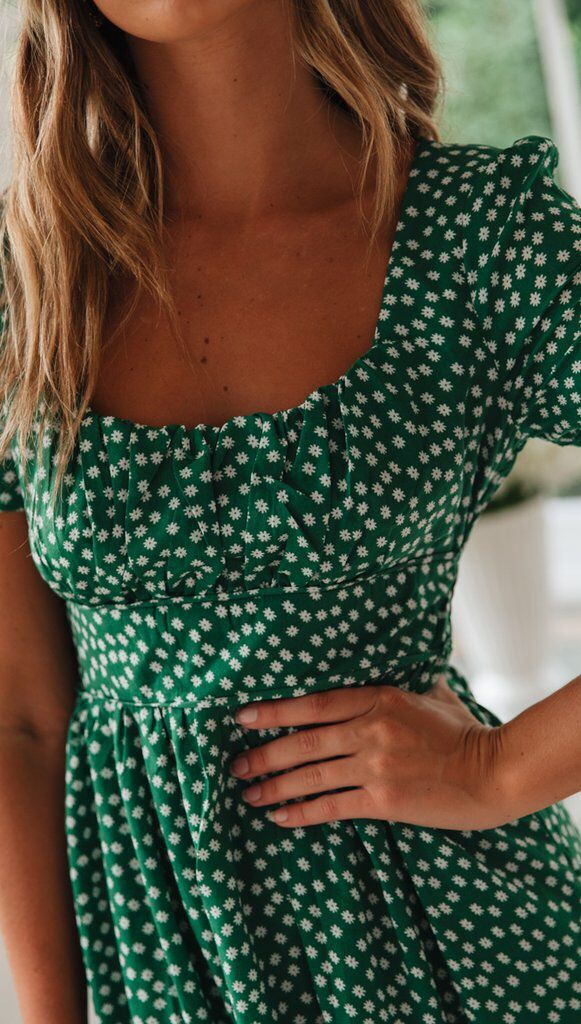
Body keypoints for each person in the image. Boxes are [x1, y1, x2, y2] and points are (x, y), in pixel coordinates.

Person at [0, 0, 580, 1022]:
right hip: (164, 973)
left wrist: (494, 770)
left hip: (461, 954)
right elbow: (23, 721)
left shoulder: (478, 237)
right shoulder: (28, 285)